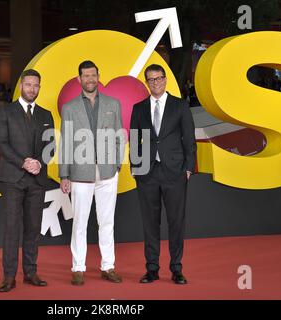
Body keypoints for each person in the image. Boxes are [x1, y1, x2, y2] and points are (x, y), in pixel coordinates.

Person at [59, 60, 125, 286]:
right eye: (86, 76)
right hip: (79, 173)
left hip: (108, 173)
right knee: (80, 223)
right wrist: (64, 175)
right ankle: (78, 268)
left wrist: (117, 164)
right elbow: (66, 142)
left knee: (107, 222)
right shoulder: (69, 108)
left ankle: (108, 266)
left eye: (93, 75)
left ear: (99, 76)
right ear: (79, 79)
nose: (90, 79)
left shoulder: (113, 104)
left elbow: (119, 136)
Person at [129, 64, 196, 285]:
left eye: (158, 79)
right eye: (151, 80)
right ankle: (152, 268)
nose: (155, 83)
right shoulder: (139, 108)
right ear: (146, 83)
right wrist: (135, 167)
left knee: (176, 221)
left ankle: (176, 268)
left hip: (175, 172)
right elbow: (135, 140)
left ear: (165, 80)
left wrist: (188, 168)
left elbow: (189, 140)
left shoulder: (180, 106)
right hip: (147, 173)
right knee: (150, 223)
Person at [0, 69, 55, 292]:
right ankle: (9, 276)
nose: (32, 89)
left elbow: (51, 147)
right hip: (13, 178)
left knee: (33, 228)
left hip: (37, 180)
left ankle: (30, 272)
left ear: (40, 87)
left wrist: (38, 162)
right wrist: (24, 162)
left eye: (36, 85)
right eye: (28, 85)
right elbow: (0, 144)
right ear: (21, 85)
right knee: (12, 229)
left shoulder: (45, 114)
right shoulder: (6, 111)